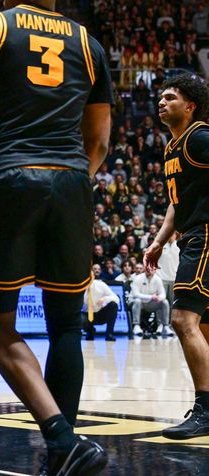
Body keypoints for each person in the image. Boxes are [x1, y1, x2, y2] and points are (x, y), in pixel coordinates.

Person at [0, 0, 111, 473]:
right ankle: (63, 451)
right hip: (71, 181)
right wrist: (72, 180)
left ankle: (61, 438)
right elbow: (100, 141)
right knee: (66, 324)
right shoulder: (90, 44)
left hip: (11, 176)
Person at [143, 73, 209, 439]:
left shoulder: (199, 137)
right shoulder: (174, 146)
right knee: (203, 327)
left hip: (205, 236)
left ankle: (205, 409)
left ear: (191, 106)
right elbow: (175, 201)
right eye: (161, 97)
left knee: (183, 319)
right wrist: (158, 242)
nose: (162, 102)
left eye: (171, 97)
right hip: (189, 237)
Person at [129, 262, 173, 337]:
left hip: (150, 303)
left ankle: (165, 326)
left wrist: (159, 298)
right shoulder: (137, 278)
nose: (150, 270)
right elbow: (136, 294)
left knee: (164, 302)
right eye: (148, 268)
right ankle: (136, 326)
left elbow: (163, 294)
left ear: (155, 270)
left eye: (152, 269)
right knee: (137, 301)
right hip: (136, 303)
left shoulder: (158, 279)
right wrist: (151, 297)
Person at [82, 276, 119, 341]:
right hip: (86, 314)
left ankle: (109, 333)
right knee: (80, 318)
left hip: (100, 314)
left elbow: (116, 298)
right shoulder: (78, 287)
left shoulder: (100, 284)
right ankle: (90, 331)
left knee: (113, 305)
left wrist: (105, 299)